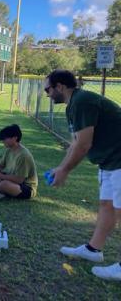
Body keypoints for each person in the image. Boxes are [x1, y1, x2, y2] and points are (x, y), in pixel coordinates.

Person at [45, 69, 121, 281]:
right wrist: (60, 168)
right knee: (106, 205)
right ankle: (93, 250)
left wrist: (66, 170)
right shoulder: (73, 106)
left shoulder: (82, 101)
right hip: (109, 162)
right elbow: (75, 143)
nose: (47, 94)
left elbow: (85, 144)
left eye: (48, 89)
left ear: (60, 86)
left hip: (119, 160)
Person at [0, 124, 38, 201]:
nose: (2, 141)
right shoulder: (9, 150)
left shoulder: (24, 155)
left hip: (25, 187)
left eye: (5, 138)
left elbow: (19, 180)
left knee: (3, 185)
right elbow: (0, 166)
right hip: (10, 179)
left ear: (15, 138)